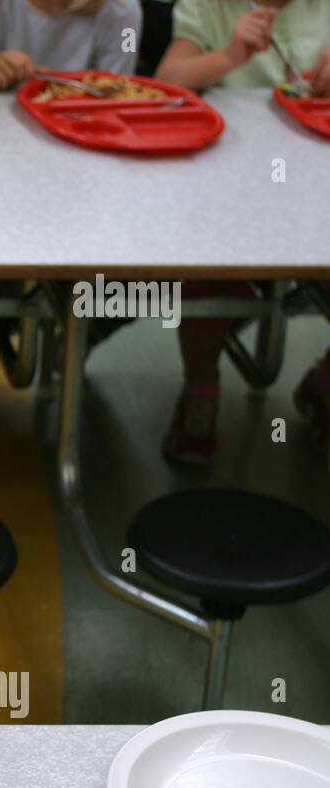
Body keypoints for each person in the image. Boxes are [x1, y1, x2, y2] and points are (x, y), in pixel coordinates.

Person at [0, 0, 141, 425]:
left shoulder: (120, 11)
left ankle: (85, 329)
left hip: (85, 158)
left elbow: (114, 96)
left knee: (150, 256)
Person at [154, 0, 330, 464]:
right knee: (211, 276)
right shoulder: (206, 7)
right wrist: (228, 57)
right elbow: (166, 81)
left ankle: (325, 381)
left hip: (317, 180)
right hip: (232, 185)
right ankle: (200, 391)